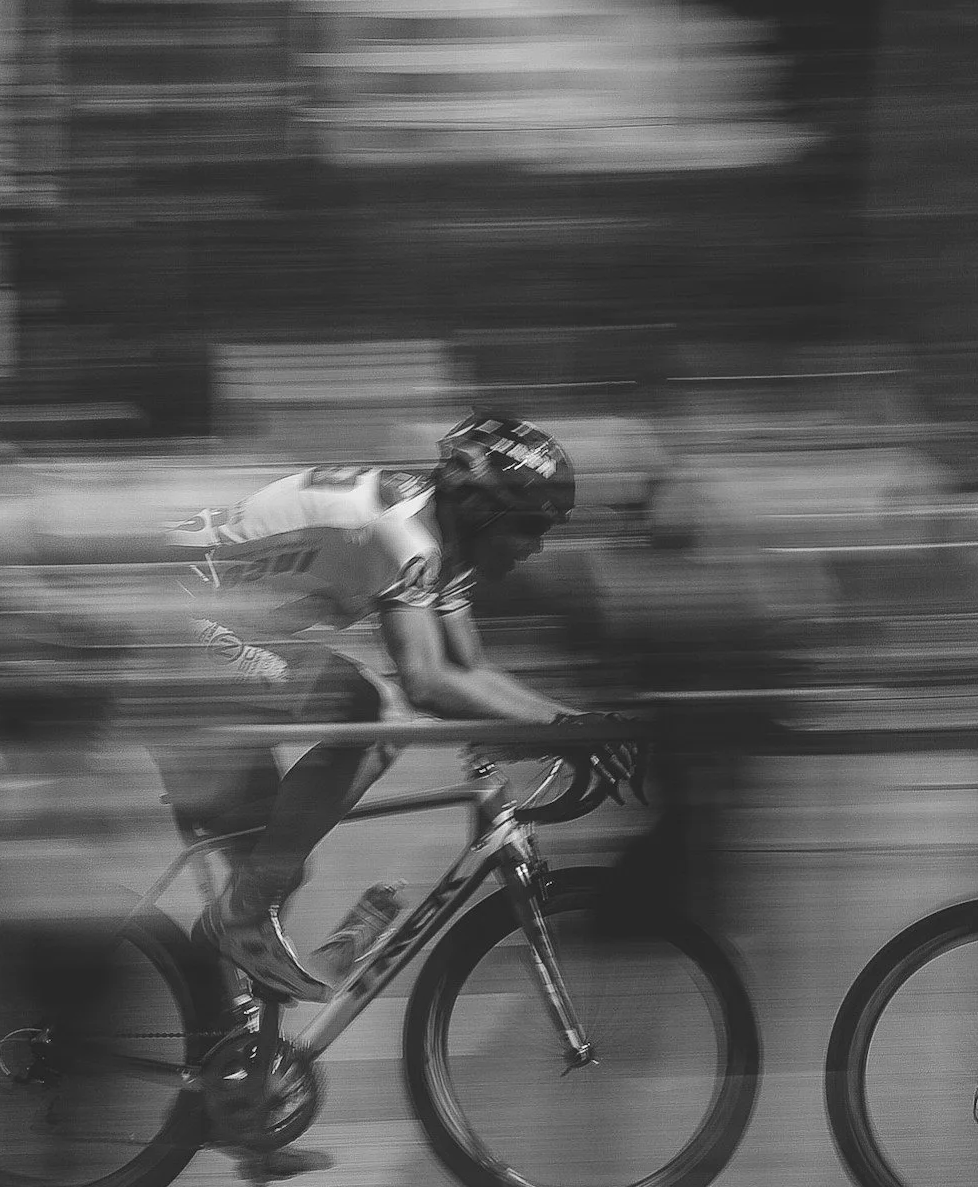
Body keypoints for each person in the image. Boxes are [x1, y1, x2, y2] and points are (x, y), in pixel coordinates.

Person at [154, 412, 633, 1007]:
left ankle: (226, 1047)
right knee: (377, 710)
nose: (536, 545)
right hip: (168, 629)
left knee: (275, 857)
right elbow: (428, 681)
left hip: (198, 627)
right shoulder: (404, 535)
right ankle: (243, 922)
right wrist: (561, 731)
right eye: (531, 524)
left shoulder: (438, 539)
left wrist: (573, 723)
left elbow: (472, 672)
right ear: (483, 509)